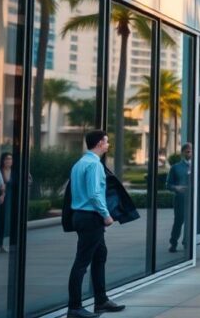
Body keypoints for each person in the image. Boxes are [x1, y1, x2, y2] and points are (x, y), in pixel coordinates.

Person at [66, 130, 125, 317]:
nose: (108, 145)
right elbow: (93, 194)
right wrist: (106, 215)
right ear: (100, 143)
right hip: (91, 217)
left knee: (100, 255)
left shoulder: (79, 164)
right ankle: (74, 308)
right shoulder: (94, 165)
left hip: (81, 215)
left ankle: (101, 301)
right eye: (107, 142)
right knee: (82, 262)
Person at [166, 143, 192, 253]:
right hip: (180, 199)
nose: (190, 154)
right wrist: (176, 188)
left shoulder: (197, 166)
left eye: (191, 151)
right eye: (188, 151)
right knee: (179, 221)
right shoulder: (175, 168)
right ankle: (173, 243)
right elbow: (168, 185)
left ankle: (187, 243)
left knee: (190, 221)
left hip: (193, 199)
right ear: (182, 153)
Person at [0, 152, 13, 252]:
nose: (8, 161)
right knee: (1, 221)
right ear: (3, 160)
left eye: (10, 159)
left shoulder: (15, 171)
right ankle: (0, 245)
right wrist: (2, 194)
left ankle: (13, 244)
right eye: (6, 159)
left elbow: (28, 181)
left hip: (14, 200)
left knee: (12, 222)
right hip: (2, 200)